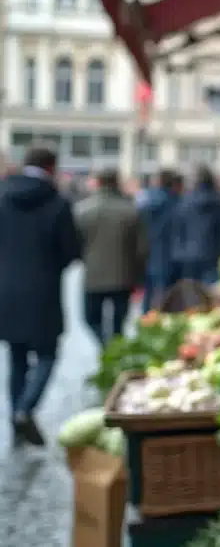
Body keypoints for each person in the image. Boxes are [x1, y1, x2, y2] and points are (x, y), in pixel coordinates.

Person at [0, 147, 82, 445]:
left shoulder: (3, 195)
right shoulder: (58, 202)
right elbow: (71, 251)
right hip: (44, 290)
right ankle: (24, 409)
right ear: (51, 166)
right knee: (48, 354)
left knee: (16, 358)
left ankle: (15, 417)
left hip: (7, 289)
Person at [75, 169, 148, 346]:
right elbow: (142, 248)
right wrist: (138, 274)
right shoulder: (130, 210)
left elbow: (74, 244)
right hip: (123, 275)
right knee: (119, 322)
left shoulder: (83, 210)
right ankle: (113, 349)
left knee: (91, 319)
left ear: (97, 183)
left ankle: (105, 346)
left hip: (93, 275)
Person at [173, 165, 220, 284]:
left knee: (191, 293)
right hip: (213, 254)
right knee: (211, 293)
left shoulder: (185, 202)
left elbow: (178, 229)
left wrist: (179, 252)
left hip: (188, 255)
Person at [139, 170, 183, 311]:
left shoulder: (145, 202)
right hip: (171, 253)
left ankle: (146, 320)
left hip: (149, 252)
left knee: (149, 293)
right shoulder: (176, 203)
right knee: (167, 293)